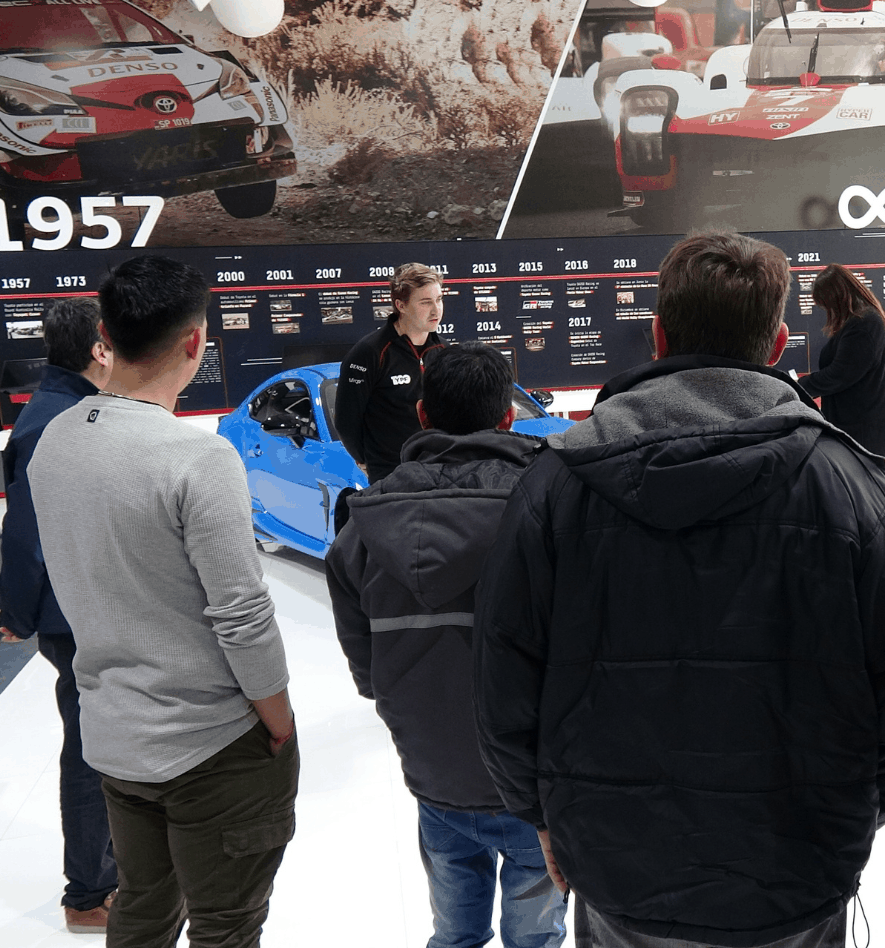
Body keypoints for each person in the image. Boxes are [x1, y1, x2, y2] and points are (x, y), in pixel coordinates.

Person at [475, 231, 885, 947]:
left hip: (618, 870)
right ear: (780, 342)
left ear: (658, 335)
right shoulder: (853, 489)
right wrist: (848, 818)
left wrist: (545, 817)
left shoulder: (554, 488)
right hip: (795, 874)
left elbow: (503, 682)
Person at [29, 255, 298, 948]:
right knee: (226, 928)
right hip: (211, 744)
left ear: (106, 337)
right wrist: (278, 717)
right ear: (193, 343)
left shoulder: (52, 440)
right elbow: (242, 614)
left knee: (143, 911)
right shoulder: (196, 461)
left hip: (114, 737)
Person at [325, 345, 566, 948]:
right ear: (508, 418)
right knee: (535, 937)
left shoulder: (360, 527)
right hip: (533, 784)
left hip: (433, 776)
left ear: (422, 414)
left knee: (453, 932)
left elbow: (368, 674)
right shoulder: (551, 510)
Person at [0, 298, 116, 934]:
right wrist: (15, 612)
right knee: (90, 751)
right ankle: (89, 894)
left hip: (86, 606)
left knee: (101, 742)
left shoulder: (71, 410)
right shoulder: (53, 423)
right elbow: (25, 536)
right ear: (101, 348)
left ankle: (110, 872)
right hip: (72, 616)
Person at [336, 262, 448, 482]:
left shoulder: (445, 351)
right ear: (401, 305)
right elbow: (346, 420)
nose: (436, 310)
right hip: (391, 473)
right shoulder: (369, 353)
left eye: (439, 299)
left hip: (439, 468)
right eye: (426, 302)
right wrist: (364, 459)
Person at [797, 262, 885, 456]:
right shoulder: (859, 321)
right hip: (863, 424)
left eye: (826, 305)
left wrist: (800, 386)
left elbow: (841, 374)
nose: (827, 312)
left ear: (836, 298)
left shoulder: (863, 324)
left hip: (867, 428)